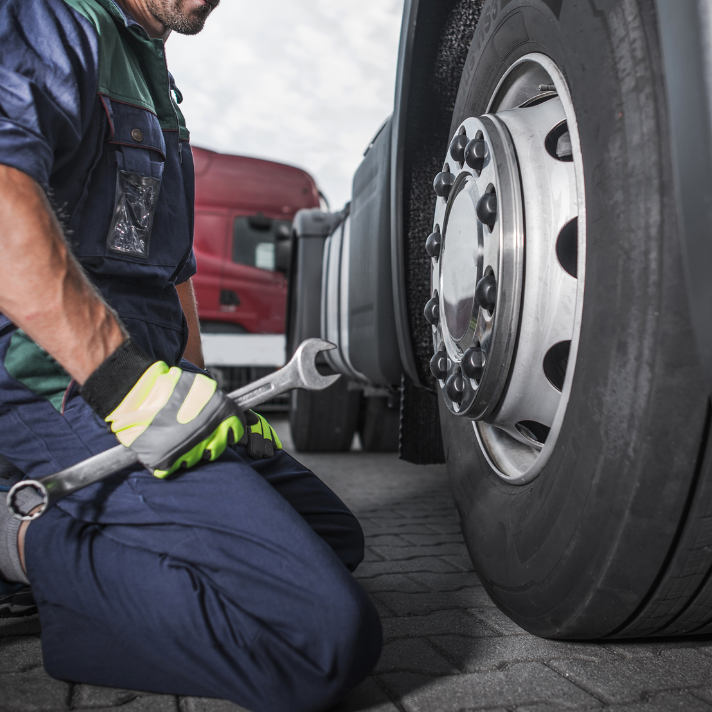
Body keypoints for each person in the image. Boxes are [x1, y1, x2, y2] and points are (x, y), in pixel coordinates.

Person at [0, 1, 382, 710]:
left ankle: (81, 601)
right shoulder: (56, 18)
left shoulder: (152, 72)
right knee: (321, 637)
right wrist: (126, 388)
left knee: (333, 538)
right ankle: (23, 538)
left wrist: (203, 393)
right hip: (55, 377)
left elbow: (171, 272)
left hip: (144, 375)